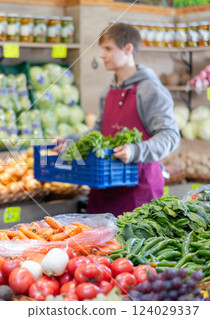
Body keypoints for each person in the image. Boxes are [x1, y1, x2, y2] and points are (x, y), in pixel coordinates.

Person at [54, 23, 180, 216]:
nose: (102, 55)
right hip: (105, 190)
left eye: (108, 49)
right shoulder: (109, 92)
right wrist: (73, 141)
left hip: (139, 192)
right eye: (102, 49)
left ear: (128, 49)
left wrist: (135, 150)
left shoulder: (150, 90)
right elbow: (99, 134)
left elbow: (170, 136)